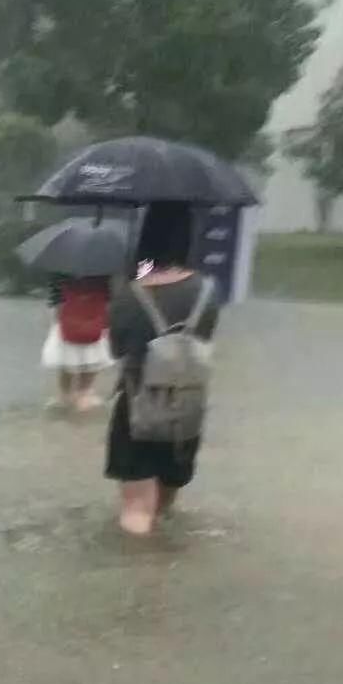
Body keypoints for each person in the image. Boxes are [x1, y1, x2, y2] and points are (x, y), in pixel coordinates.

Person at [106, 203, 220, 535]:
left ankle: (140, 577)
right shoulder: (208, 291)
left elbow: (116, 350)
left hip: (138, 409)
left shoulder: (131, 294)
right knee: (164, 510)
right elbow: (202, 339)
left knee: (137, 510)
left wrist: (134, 279)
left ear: (146, 237)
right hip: (187, 409)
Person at [42, 275, 113, 415]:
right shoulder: (104, 269)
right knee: (93, 357)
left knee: (66, 359)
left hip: (67, 320)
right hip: (96, 318)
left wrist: (60, 319)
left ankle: (65, 395)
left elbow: (56, 301)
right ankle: (84, 393)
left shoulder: (61, 268)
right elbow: (109, 298)